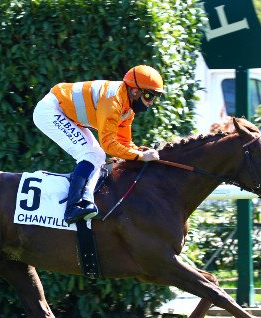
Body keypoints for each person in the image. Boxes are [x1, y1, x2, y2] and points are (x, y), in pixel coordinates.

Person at [33, 65, 163, 224]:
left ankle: (86, 201)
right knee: (89, 154)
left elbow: (124, 142)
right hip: (50, 111)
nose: (151, 102)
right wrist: (140, 156)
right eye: (149, 96)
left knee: (98, 155)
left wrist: (140, 152)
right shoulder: (113, 101)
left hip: (65, 114)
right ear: (135, 91)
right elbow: (109, 145)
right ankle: (72, 207)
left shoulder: (128, 108)